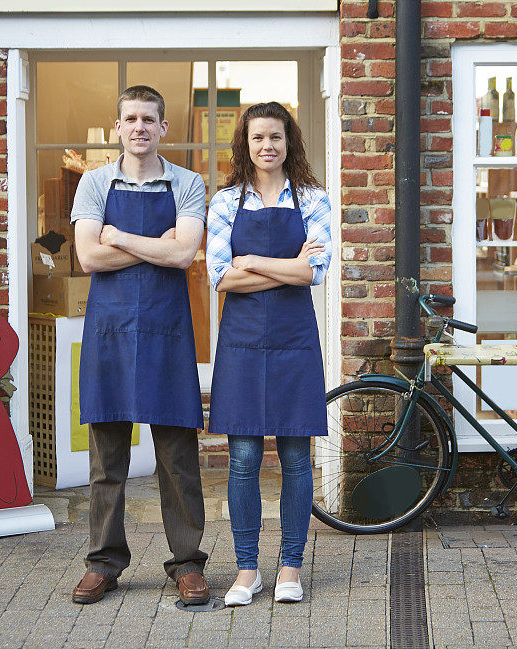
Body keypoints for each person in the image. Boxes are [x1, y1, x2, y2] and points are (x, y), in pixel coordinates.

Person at [71, 85, 209, 606]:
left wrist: (121, 237)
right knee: (107, 457)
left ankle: (188, 564)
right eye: (130, 118)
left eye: (149, 119)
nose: (139, 127)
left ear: (163, 127)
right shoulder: (94, 183)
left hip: (167, 333)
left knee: (177, 455)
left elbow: (184, 254)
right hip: (108, 334)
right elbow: (89, 259)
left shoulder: (189, 182)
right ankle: (103, 562)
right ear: (118, 127)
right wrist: (159, 246)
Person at [206, 102, 331, 605]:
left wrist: (253, 260)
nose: (267, 146)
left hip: (294, 340)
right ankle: (246, 570)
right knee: (242, 458)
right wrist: (287, 265)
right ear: (246, 144)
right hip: (240, 344)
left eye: (276, 137)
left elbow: (313, 274)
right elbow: (220, 277)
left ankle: (291, 567)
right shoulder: (224, 202)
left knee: (297, 459)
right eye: (258, 138)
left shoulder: (315, 200)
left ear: (289, 142)